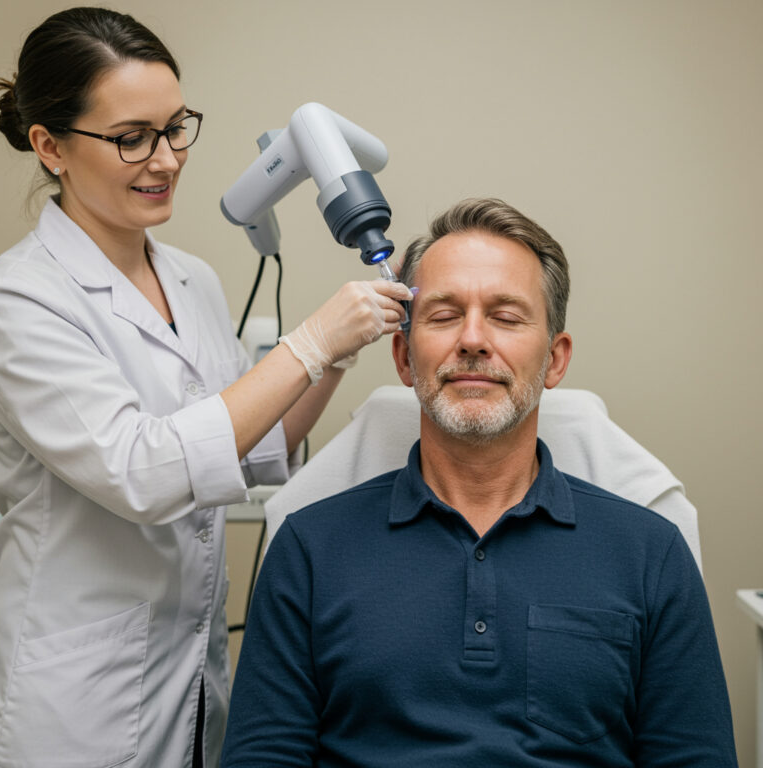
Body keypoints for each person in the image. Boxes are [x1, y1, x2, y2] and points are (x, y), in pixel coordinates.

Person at [0, 8, 411, 768]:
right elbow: (144, 472)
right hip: (79, 699)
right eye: (132, 137)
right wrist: (311, 341)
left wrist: (338, 357)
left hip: (190, 676)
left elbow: (253, 447)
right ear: (51, 147)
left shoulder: (193, 280)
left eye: (175, 127)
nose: (166, 160)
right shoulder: (19, 301)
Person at [221, 198, 738, 766]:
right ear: (403, 356)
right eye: (444, 315)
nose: (472, 339)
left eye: (506, 317)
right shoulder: (309, 550)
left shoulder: (650, 554)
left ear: (556, 360)